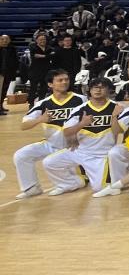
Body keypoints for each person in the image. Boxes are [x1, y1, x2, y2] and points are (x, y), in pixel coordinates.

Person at [41, 77, 126, 195]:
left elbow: (118, 131)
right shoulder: (80, 109)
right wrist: (82, 124)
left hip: (102, 155)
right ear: (89, 90)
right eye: (95, 87)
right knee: (49, 162)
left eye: (102, 87)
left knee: (99, 188)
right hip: (80, 151)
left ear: (109, 90)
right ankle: (71, 183)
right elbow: (66, 132)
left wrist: (114, 116)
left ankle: (115, 174)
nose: (98, 90)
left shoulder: (117, 108)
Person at [12, 69, 85, 198]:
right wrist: (40, 119)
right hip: (51, 144)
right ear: (50, 84)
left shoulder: (80, 99)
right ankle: (31, 187)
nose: (64, 82)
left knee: (49, 162)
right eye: (60, 80)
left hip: (74, 146)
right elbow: (23, 125)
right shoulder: (43, 103)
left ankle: (70, 183)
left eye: (66, 79)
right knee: (21, 155)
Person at [27, 34, 52, 103]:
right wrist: (47, 56)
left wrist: (44, 56)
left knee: (44, 88)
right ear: (36, 40)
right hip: (35, 70)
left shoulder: (49, 48)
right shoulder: (33, 47)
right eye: (40, 39)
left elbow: (52, 56)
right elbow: (35, 55)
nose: (43, 41)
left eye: (44, 39)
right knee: (33, 88)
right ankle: (31, 103)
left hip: (46, 70)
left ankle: (41, 102)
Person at [0, 34, 17, 116]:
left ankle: (1, 106)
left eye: (6, 39)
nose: (4, 41)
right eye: (2, 39)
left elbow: (15, 61)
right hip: (0, 73)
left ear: (9, 40)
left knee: (4, 91)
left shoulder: (12, 49)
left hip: (8, 73)